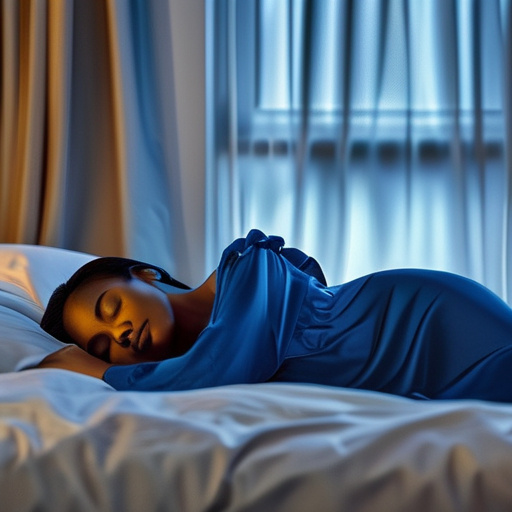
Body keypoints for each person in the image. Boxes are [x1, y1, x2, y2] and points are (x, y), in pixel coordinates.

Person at [38, 229, 512, 402]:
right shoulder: (191, 364)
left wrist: (97, 370)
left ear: (144, 274)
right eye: (103, 346)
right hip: (415, 377)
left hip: (432, 326)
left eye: (111, 307)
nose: (118, 333)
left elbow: (217, 368)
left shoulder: (247, 268)